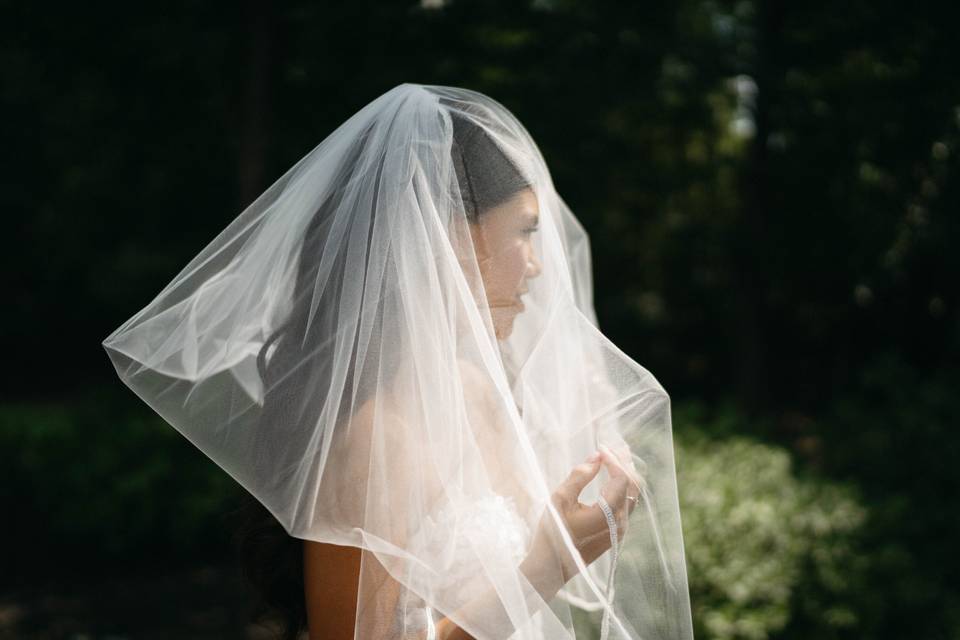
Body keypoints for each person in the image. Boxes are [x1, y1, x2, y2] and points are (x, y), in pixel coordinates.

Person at [103, 83, 693, 640]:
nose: (537, 266)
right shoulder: (374, 437)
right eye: (523, 232)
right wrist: (549, 565)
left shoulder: (480, 393)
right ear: (445, 238)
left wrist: (574, 527)